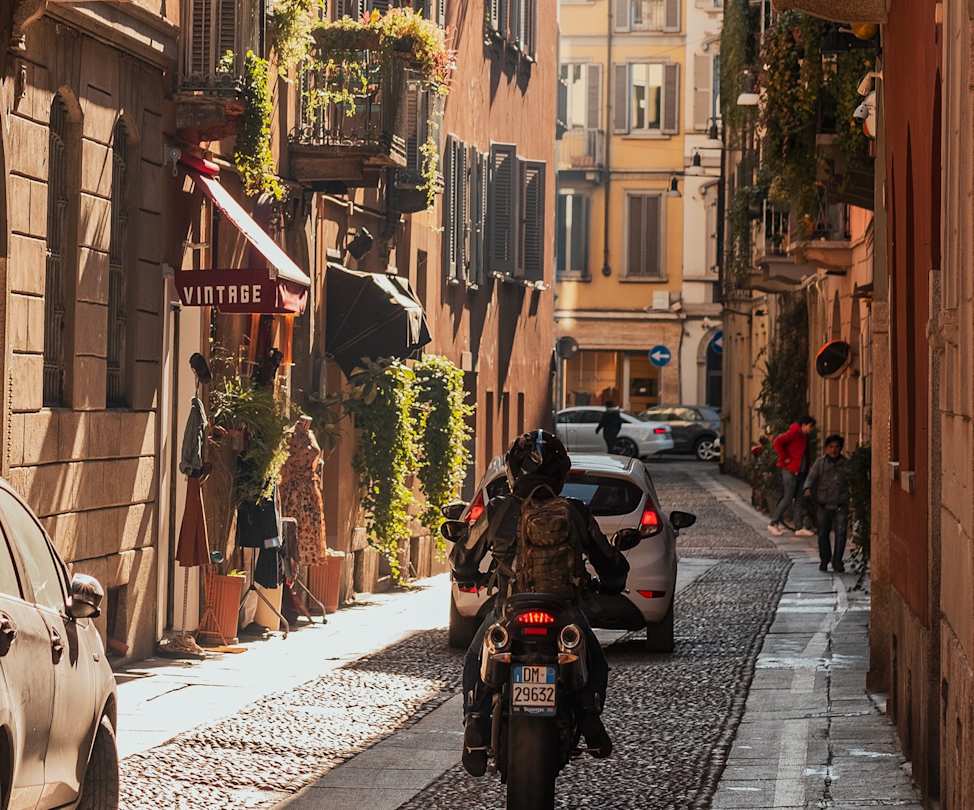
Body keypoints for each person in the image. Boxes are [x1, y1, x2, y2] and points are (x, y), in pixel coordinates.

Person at [450, 430, 630, 777]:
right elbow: (610, 565)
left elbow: (464, 558)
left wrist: (466, 572)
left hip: (510, 608)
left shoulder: (498, 511)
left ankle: (475, 726)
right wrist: (612, 581)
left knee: (476, 656)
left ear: (514, 474)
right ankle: (590, 720)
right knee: (594, 658)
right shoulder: (574, 512)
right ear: (561, 474)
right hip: (563, 609)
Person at [803, 434, 850, 573]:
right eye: (831, 447)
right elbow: (811, 477)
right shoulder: (820, 463)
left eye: (837, 447)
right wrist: (807, 488)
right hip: (823, 504)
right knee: (823, 533)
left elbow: (852, 480)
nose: (834, 450)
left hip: (840, 504)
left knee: (841, 534)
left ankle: (837, 561)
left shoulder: (846, 464)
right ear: (826, 449)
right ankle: (825, 559)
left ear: (840, 448)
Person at [768, 416, 817, 537]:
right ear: (804, 424)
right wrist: (785, 459)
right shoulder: (794, 432)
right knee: (788, 497)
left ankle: (798, 527)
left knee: (799, 499)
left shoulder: (803, 436)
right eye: (810, 427)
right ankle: (773, 523)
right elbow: (777, 442)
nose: (810, 430)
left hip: (801, 471)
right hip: (790, 470)